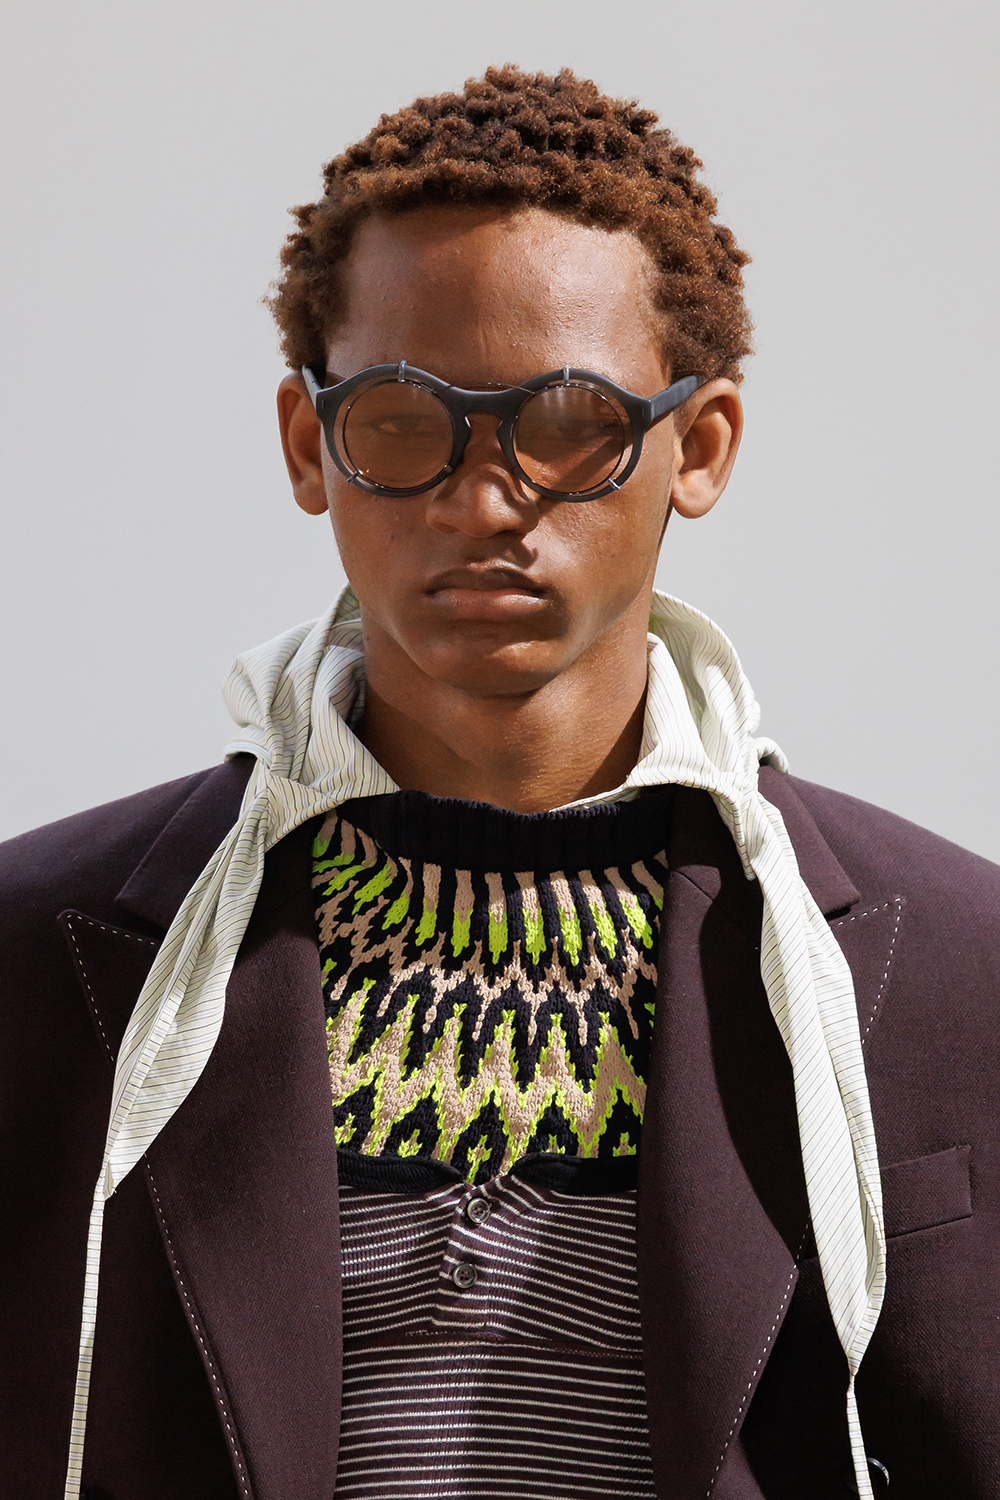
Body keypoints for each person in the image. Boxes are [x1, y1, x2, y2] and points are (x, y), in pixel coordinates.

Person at [2, 65, 997, 1500]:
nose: (482, 502)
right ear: (310, 445)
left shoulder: (962, 975)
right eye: (401, 419)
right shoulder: (36, 958)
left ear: (701, 446)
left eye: (573, 423)